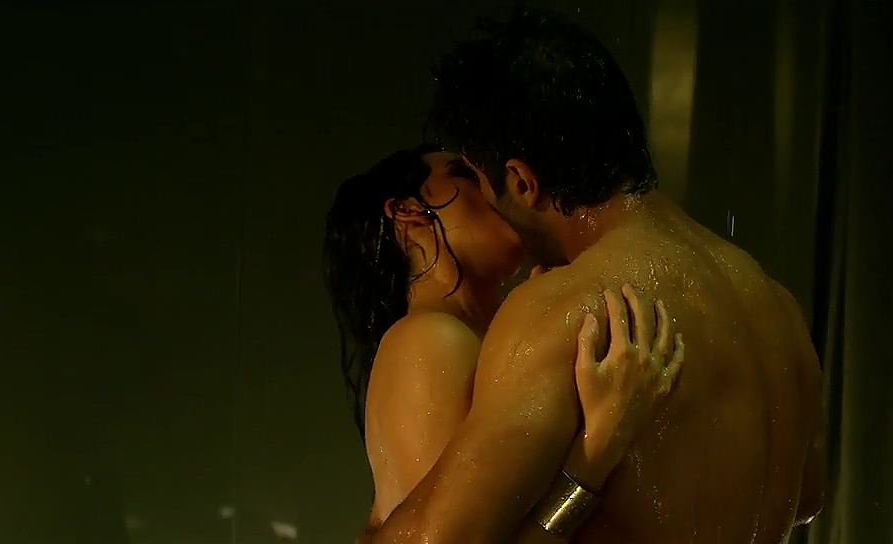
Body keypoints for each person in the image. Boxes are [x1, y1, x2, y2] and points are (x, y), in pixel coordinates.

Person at [366, 12, 827, 544]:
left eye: (481, 180)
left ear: (521, 181)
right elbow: (808, 497)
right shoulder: (775, 305)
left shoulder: (570, 308)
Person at [323, 144, 687, 543]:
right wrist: (596, 451)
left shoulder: (476, 335)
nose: (492, 186)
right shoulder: (427, 339)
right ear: (408, 211)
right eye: (466, 174)